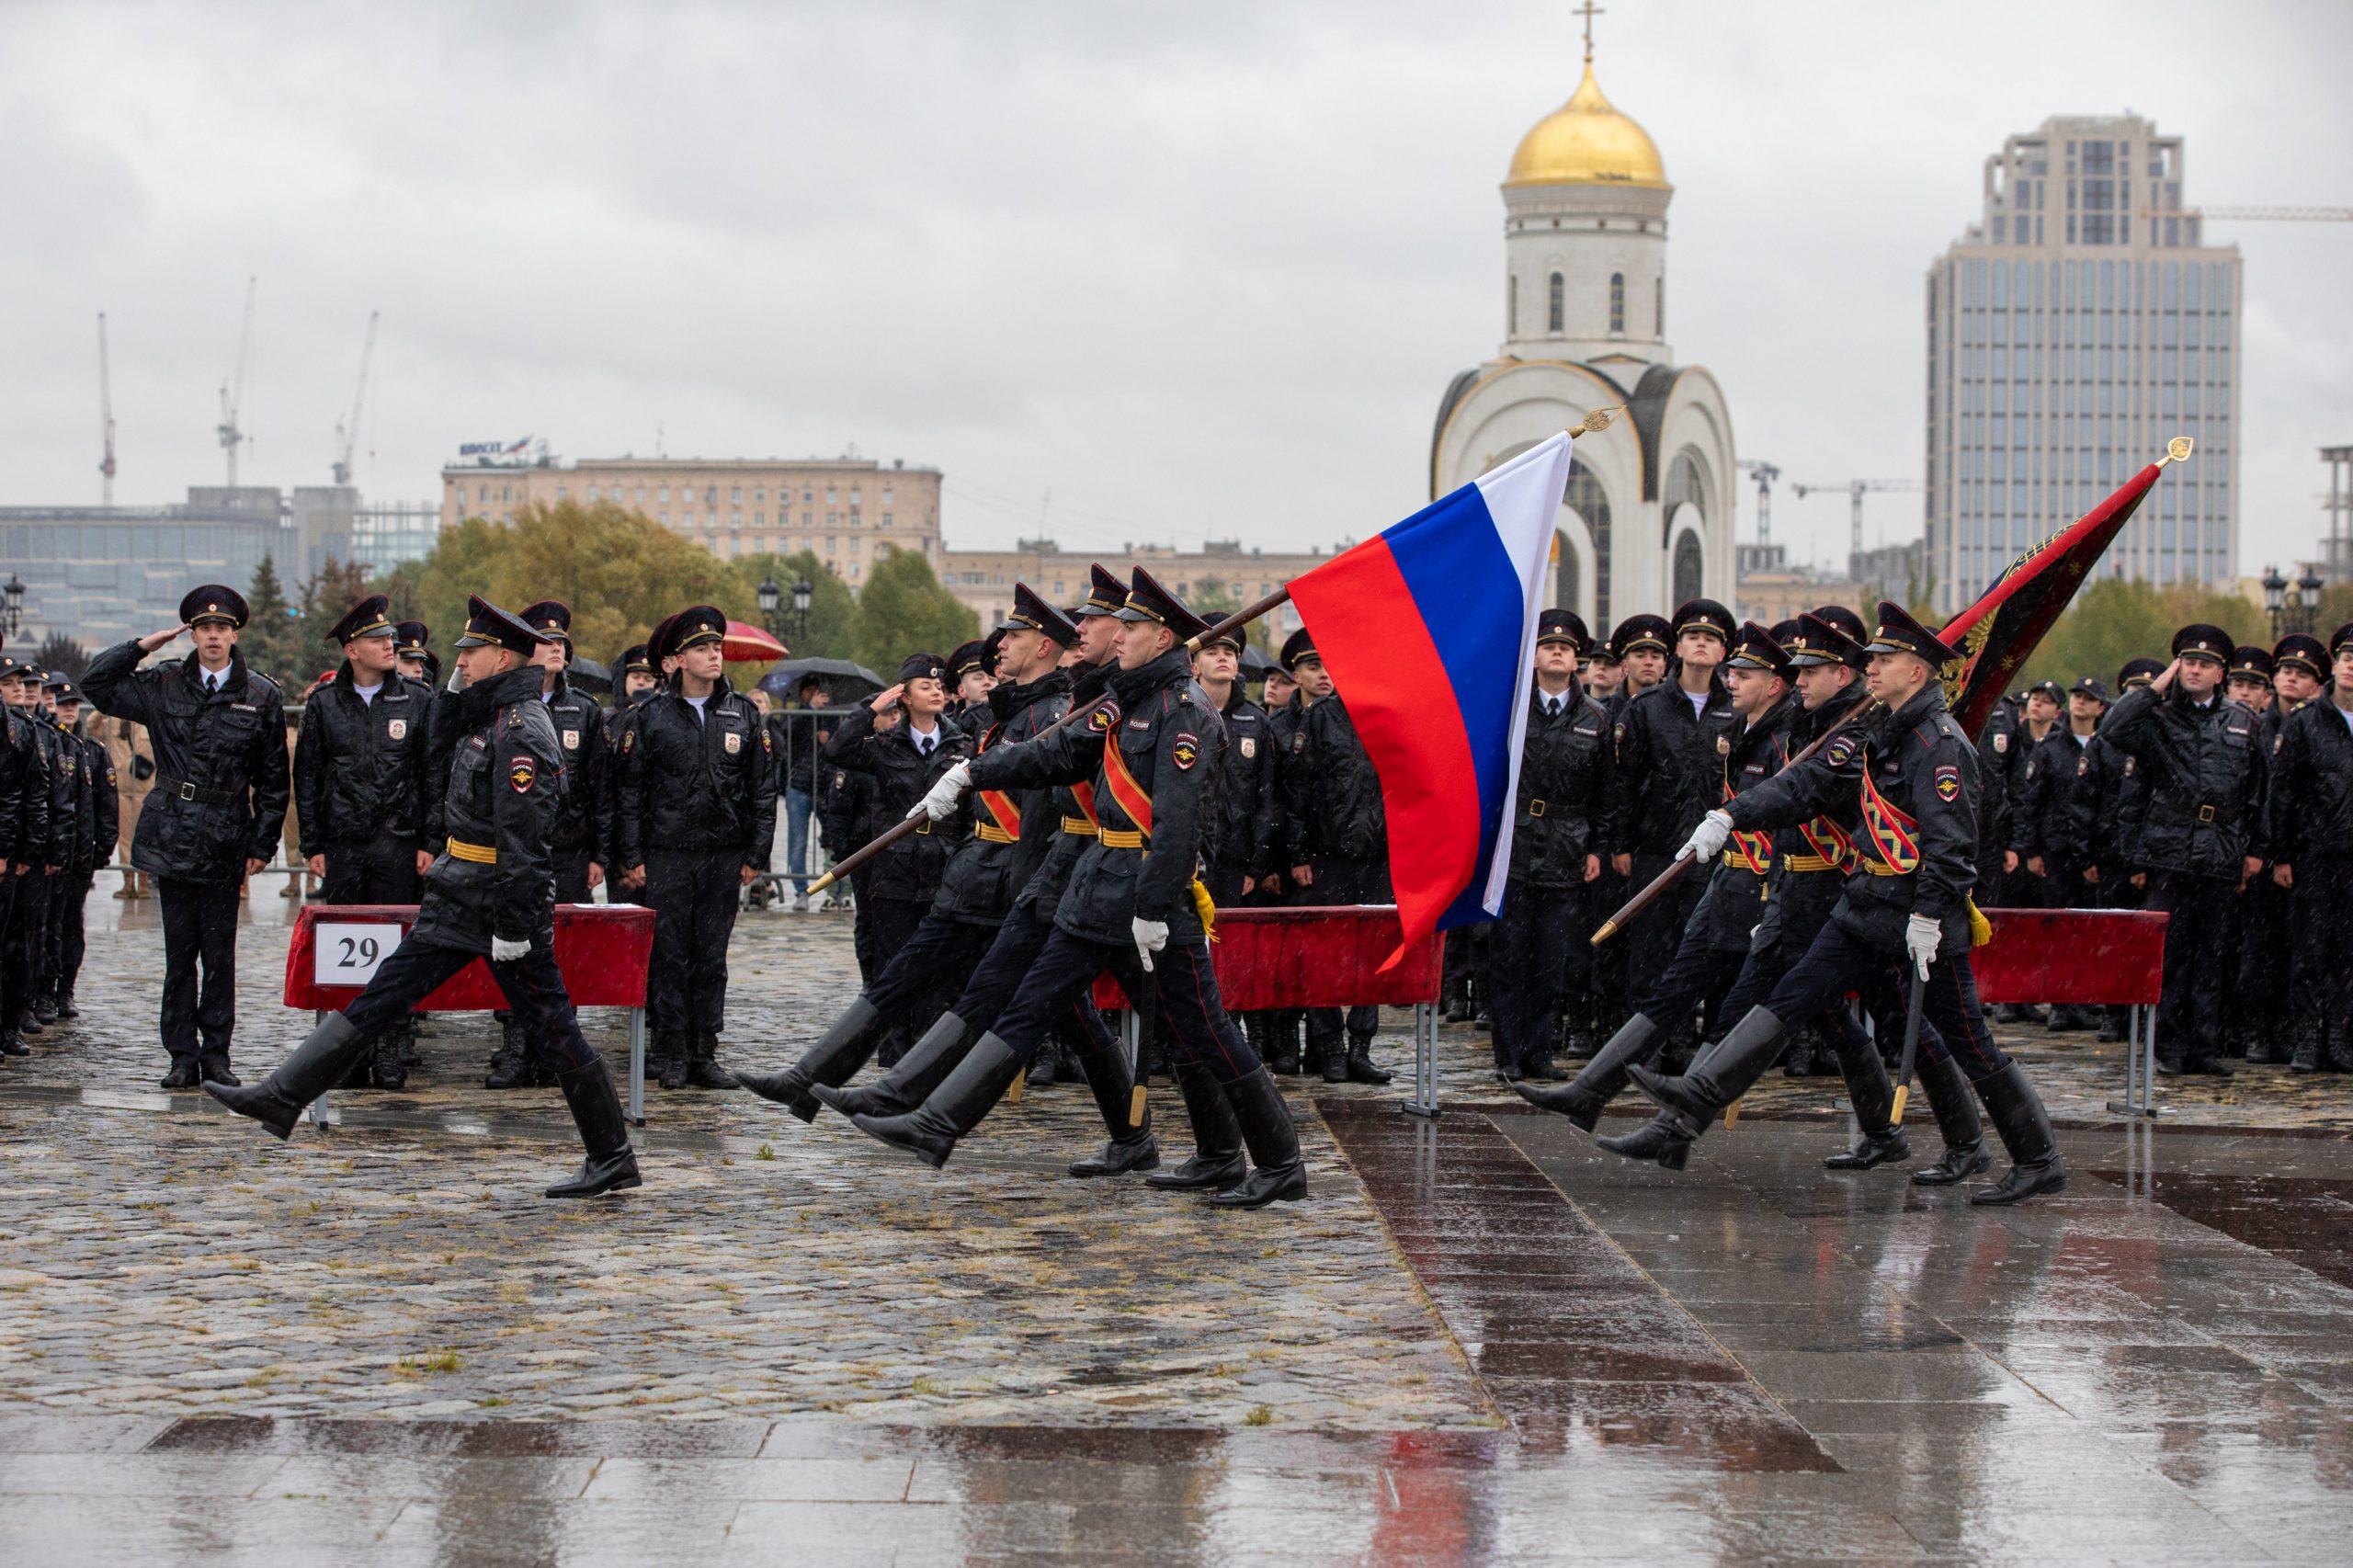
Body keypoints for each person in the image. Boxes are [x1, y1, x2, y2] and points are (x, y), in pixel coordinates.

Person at [852, 568, 1306, 1209]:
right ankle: (936, 1125)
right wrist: (972, 774)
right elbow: (1054, 754)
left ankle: (1280, 1161)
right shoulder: (1128, 701)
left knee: (1204, 1031)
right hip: (1096, 887)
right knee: (1030, 1003)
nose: (1119, 638)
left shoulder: (1183, 712)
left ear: (1164, 638)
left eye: (1133, 628)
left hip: (1151, 896)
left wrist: (1154, 907)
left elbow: (1178, 825)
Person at [1607, 602, 2067, 1206]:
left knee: (1967, 1040)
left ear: (1919, 672)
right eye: (1870, 659)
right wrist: (1731, 814)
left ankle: (2038, 1158)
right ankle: (1699, 1094)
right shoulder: (1887, 726)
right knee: (1794, 992)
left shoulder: (1940, 744)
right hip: (1866, 903)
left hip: (1918, 917)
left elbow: (1953, 848)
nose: (1870, 669)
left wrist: (1929, 917)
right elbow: (1806, 785)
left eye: (1884, 660)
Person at [208, 597, 640, 1198]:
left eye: (472, 654)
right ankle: (283, 1096)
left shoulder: (522, 732)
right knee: (385, 993)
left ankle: (613, 1155)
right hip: (460, 894)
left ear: (502, 657)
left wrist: (515, 926)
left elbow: (524, 842)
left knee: (552, 1025)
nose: (460, 663)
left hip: (498, 904)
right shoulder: (488, 717)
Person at [1517, 619, 1794, 1125]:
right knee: (1670, 978)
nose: (1731, 682)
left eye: (1743, 675)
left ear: (1773, 685)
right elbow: (1625, 782)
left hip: (1755, 880)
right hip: (1692, 863)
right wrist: (1624, 842)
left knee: (1763, 999)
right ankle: (1597, 1091)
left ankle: (1678, 1114)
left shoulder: (1783, 738)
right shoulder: (1736, 727)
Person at [82, 586, 290, 1088]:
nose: (213, 636)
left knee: (219, 955)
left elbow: (273, 780)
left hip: (224, 835)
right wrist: (142, 646)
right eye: (204, 629)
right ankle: (180, 1054)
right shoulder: (164, 684)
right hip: (173, 830)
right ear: (192, 635)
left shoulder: (260, 695)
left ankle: (217, 1053)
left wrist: (262, 845)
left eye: (221, 629)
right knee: (180, 956)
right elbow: (97, 683)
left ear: (234, 634)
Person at [612, 606, 778, 1090]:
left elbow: (762, 789)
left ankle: (705, 1050)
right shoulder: (649, 716)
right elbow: (630, 793)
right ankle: (670, 1052)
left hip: (722, 853)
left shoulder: (742, 714)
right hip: (667, 853)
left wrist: (756, 855)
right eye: (702, 649)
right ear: (676, 660)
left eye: (717, 648)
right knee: (669, 954)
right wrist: (632, 856)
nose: (713, 655)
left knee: (711, 955)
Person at [2097, 624, 2268, 1078]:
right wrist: (2155, 687)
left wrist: (2256, 850)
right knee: (2170, 956)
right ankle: (2167, 1046)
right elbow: (2111, 731)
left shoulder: (2243, 720)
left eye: (2205, 664)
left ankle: (2202, 1047)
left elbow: (2259, 791)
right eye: (2188, 661)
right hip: (2168, 851)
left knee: (2212, 956)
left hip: (2221, 852)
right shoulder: (2157, 717)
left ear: (2221, 674)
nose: (2195, 669)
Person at [290, 595, 436, 1088]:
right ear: (352, 649)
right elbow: (307, 777)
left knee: (396, 954)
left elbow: (431, 775)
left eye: (390, 637)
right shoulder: (325, 703)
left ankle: (392, 1050)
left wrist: (430, 841)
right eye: (377, 640)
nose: (389, 645)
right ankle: (349, 1053)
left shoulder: (417, 700)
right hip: (346, 845)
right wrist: (313, 843)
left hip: (399, 844)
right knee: (343, 954)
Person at [1601, 598, 1739, 1067]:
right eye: (1693, 637)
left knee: (1701, 950)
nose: (1702, 643)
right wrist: (1622, 844)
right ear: (1677, 647)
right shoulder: (1647, 708)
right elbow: (1624, 782)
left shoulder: (1734, 711)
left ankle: (1687, 1043)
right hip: (1656, 848)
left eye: (1713, 638)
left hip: (1715, 855)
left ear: (1723, 653)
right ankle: (1647, 1044)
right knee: (1650, 951)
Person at [1487, 610, 1610, 1083]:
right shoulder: (1512, 710)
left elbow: (1605, 795)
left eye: (1565, 647)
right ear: (1534, 658)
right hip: (1515, 846)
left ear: (1577, 659)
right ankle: (1507, 1056)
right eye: (1547, 646)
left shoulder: (1596, 718)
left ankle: (1539, 1051)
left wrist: (1597, 847)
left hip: (1567, 847)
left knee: (1551, 960)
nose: (1556, 652)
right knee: (1508, 957)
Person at [1279, 627, 1394, 1085]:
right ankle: (1328, 1049)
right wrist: (1299, 853)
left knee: (1373, 955)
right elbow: (1297, 792)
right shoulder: (1322, 717)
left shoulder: (1391, 717)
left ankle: (1361, 1047)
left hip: (1379, 856)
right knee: (1326, 955)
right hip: (1328, 856)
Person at [2264, 621, 2353, 1074]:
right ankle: (2306, 1039)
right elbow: (2282, 794)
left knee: (2348, 952)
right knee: (2309, 949)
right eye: (2348, 657)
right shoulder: (2305, 722)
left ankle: (2339, 1039)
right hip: (2314, 854)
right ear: (2334, 667)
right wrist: (2281, 854)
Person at [2010, 676, 2109, 1030]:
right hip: (2057, 849)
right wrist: (2031, 850)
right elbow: (2031, 802)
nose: (2081, 703)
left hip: (2093, 852)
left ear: (2100, 707)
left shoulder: (2104, 745)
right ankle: (2061, 1004)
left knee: (2087, 927)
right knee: (2060, 926)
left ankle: (2082, 999)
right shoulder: (2051, 747)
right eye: (2077, 696)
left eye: (2088, 698)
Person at [49, 680, 113, 1023]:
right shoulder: (49, 744)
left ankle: (65, 990)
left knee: (72, 926)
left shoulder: (91, 751)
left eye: (73, 703)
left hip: (78, 855)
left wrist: (101, 850)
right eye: (62, 703)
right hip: (51, 854)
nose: (69, 709)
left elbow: (106, 806)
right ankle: (44, 991)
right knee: (48, 926)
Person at [0, 654, 50, 1061]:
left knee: (15, 944)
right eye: (8, 682)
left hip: (13, 854)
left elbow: (29, 794)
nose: (18, 689)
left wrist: (22, 852)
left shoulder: (24, 730)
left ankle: (9, 1025)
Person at [779, 674, 833, 910]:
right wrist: (810, 710)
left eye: (818, 691)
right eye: (810, 690)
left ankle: (836, 891)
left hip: (825, 785)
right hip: (799, 785)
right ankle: (801, 890)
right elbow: (787, 736)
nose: (815, 694)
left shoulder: (832, 716)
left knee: (832, 840)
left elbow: (841, 746)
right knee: (798, 842)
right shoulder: (795, 714)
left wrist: (828, 740)